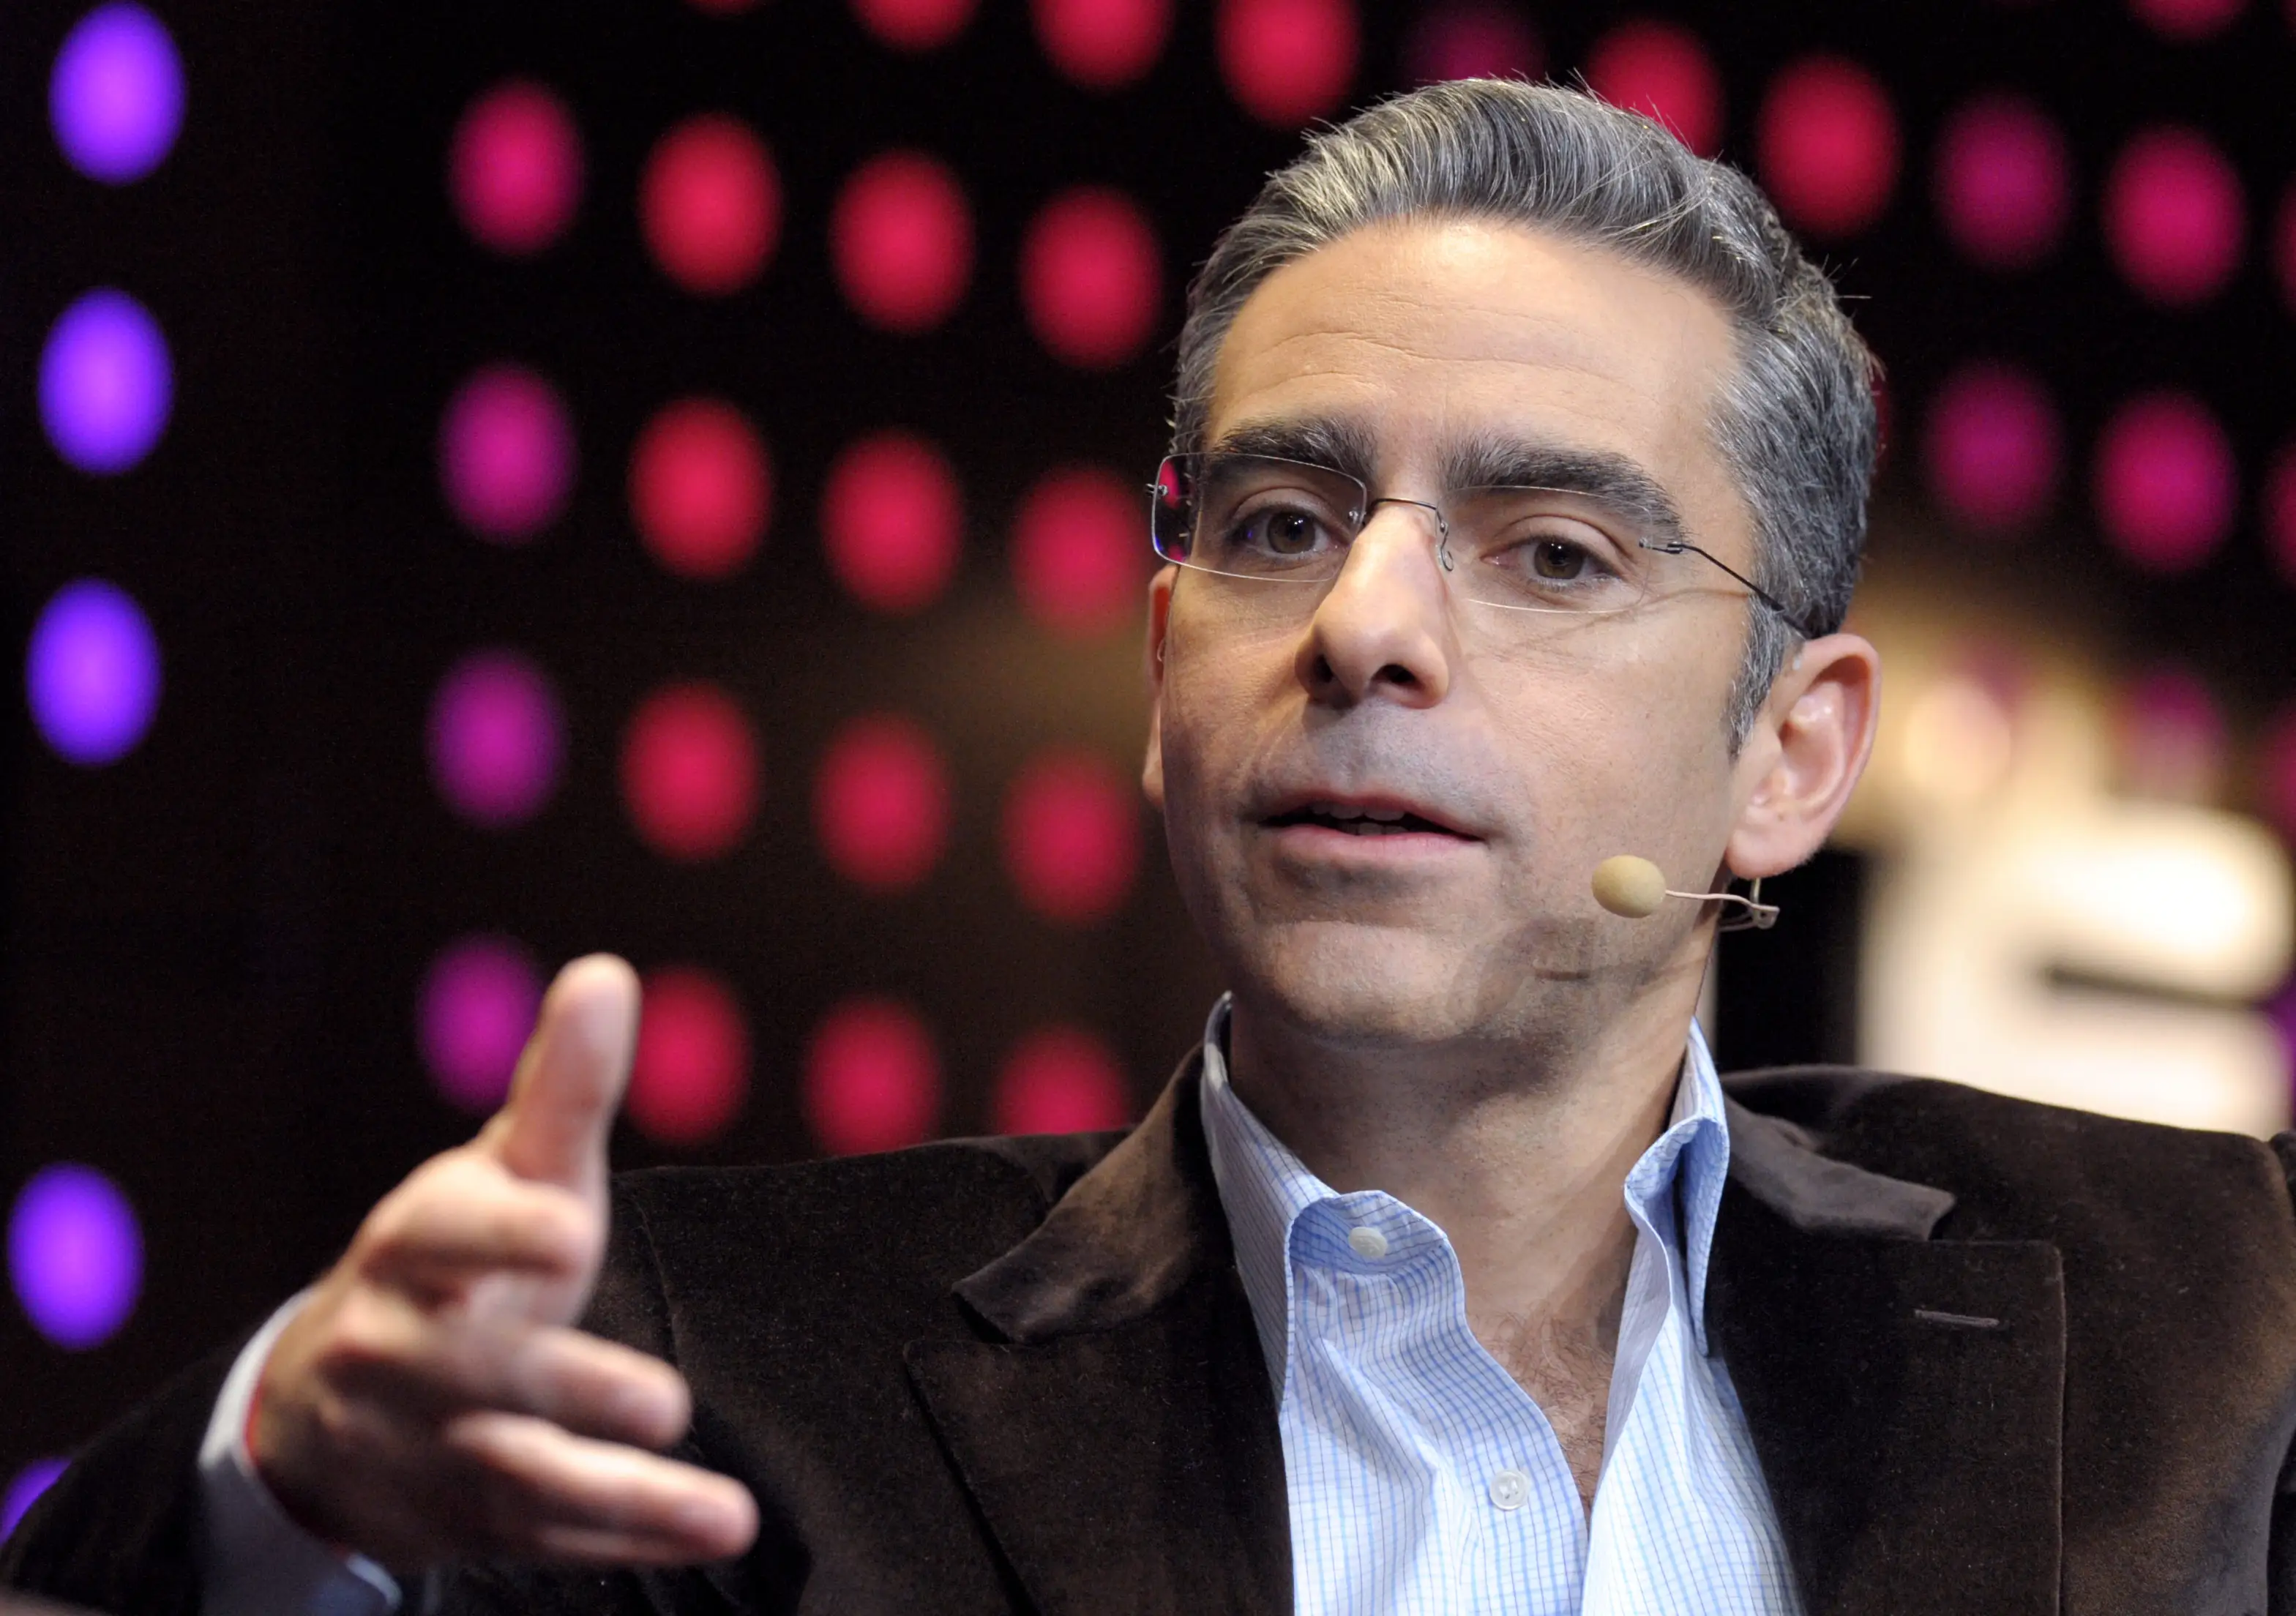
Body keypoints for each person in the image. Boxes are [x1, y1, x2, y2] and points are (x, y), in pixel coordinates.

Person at [9, 77, 2296, 1616]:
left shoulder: (2220, 1316)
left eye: (1556, 552)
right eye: (1285, 523)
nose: (1369, 627)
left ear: (1789, 755)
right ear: (1160, 659)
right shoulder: (682, 1369)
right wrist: (277, 1491)